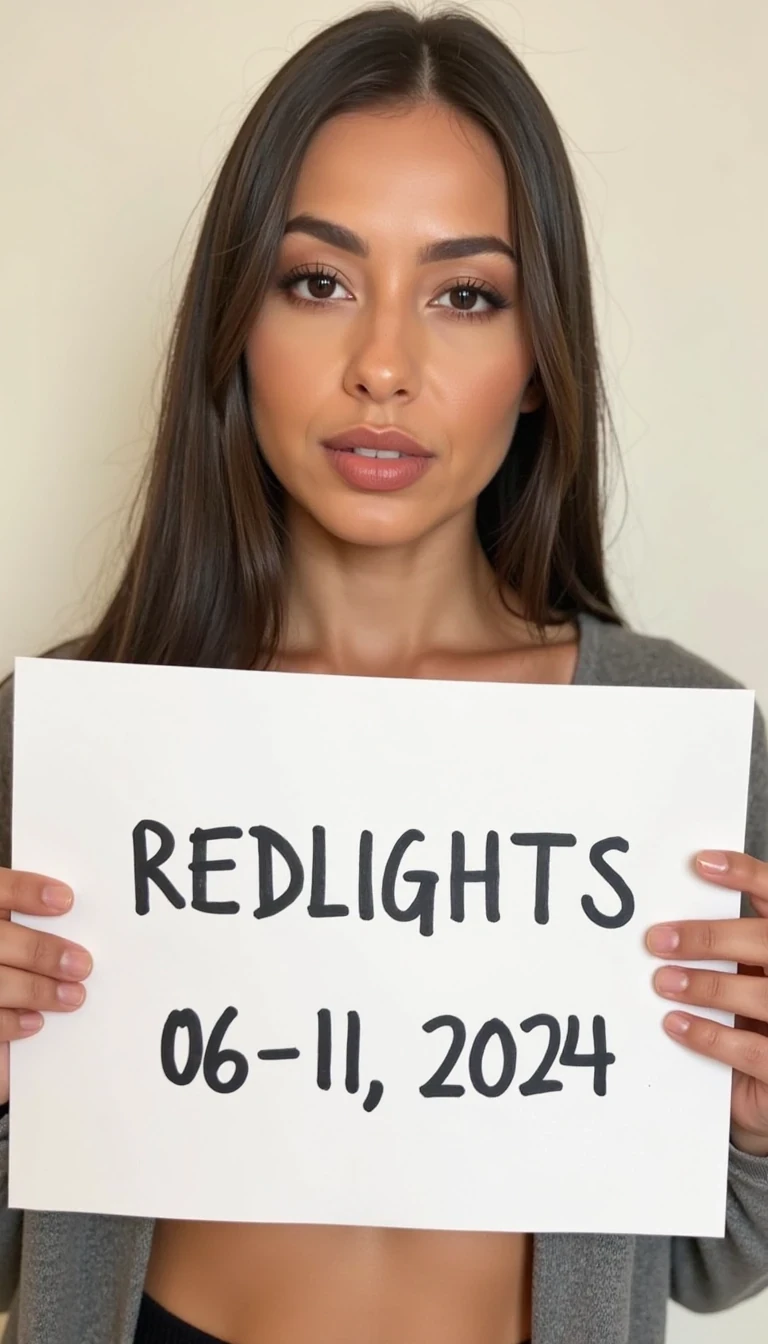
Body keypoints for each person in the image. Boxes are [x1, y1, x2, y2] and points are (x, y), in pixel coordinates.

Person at [0, 4, 767, 1342]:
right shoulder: (65, 740)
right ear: (237, 322)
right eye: (319, 280)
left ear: (540, 364)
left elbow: (715, 1260)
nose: (384, 367)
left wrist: (755, 1112)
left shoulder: (677, 741)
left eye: (466, 295)